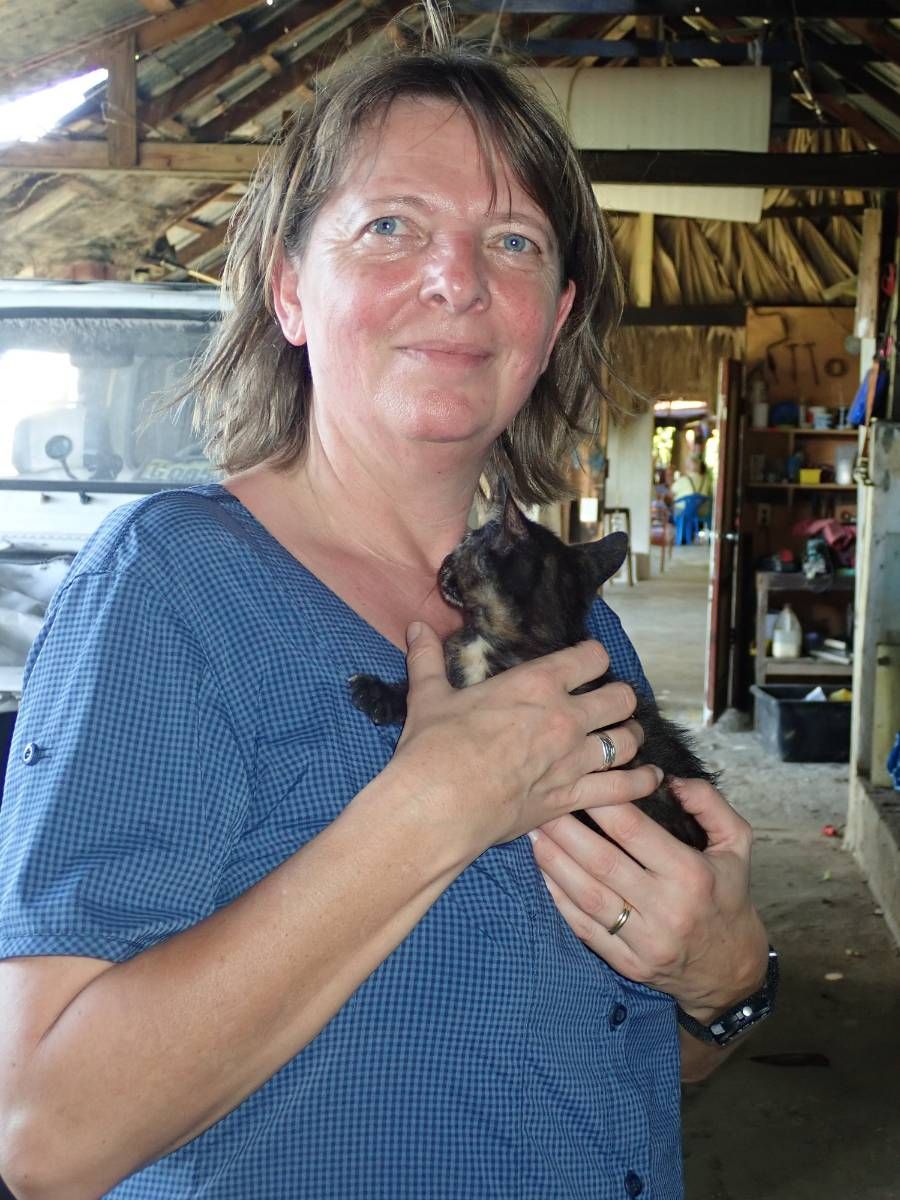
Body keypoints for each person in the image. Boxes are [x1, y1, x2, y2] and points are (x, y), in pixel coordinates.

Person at [0, 18, 772, 1200]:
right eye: (391, 228)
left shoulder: (576, 628)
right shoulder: (169, 589)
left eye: (511, 241)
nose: (457, 279)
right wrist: (436, 807)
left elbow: (604, 1066)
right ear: (290, 291)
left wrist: (722, 982)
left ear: (555, 317)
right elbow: (46, 1136)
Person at [671, 450, 714, 521]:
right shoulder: (706, 481)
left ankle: (676, 526)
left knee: (672, 507)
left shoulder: (683, 480)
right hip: (701, 513)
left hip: (683, 513)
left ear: (687, 466)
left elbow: (672, 492)